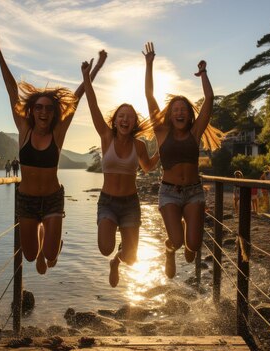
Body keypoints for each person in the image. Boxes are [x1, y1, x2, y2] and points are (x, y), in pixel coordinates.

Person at [0, 37, 106, 274]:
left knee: (51, 255)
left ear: (54, 113)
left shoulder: (58, 132)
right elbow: (12, 91)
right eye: (39, 107)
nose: (43, 112)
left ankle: (51, 248)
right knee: (30, 256)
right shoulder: (24, 130)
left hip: (52, 198)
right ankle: (42, 245)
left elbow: (78, 96)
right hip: (27, 201)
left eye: (48, 108)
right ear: (32, 110)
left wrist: (94, 69)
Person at [143, 42, 226, 279]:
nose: (179, 112)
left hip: (194, 192)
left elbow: (209, 99)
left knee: (193, 247)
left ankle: (184, 250)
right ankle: (169, 251)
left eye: (183, 109)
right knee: (177, 241)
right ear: (169, 114)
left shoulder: (195, 133)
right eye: (175, 109)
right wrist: (149, 65)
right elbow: (149, 96)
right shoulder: (161, 132)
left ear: (189, 114)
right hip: (169, 192)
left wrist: (203, 74)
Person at [81, 56, 159, 287]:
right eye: (121, 116)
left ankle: (117, 261)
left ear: (134, 122)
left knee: (132, 259)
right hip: (107, 202)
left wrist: (161, 151)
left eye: (130, 116)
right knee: (105, 248)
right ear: (115, 121)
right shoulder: (106, 137)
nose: (125, 119)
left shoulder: (139, 146)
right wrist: (86, 76)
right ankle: (112, 255)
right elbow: (93, 105)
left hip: (130, 203)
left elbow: (148, 167)